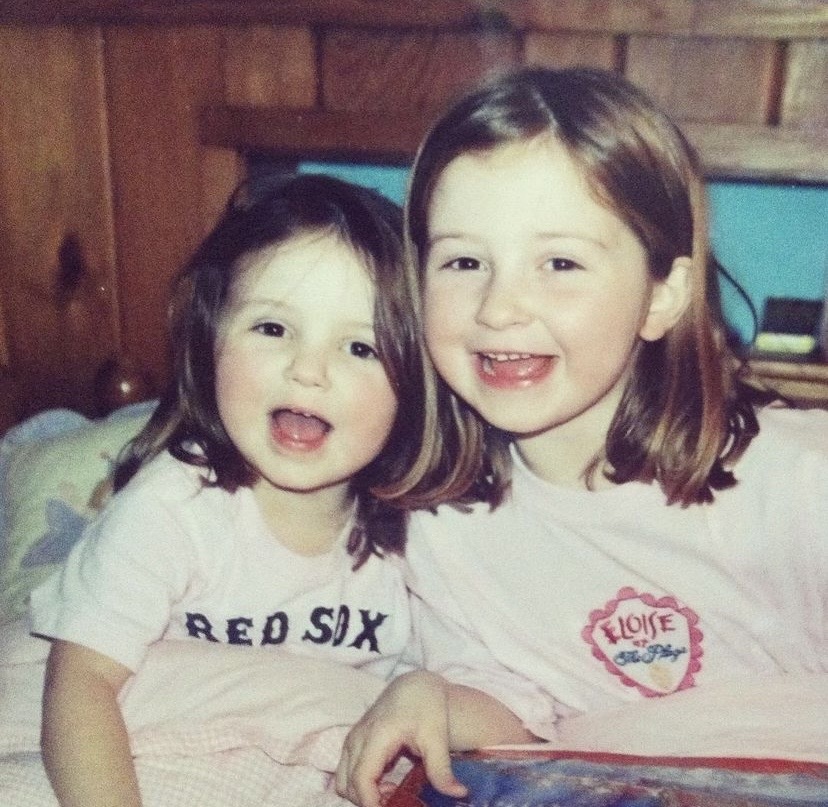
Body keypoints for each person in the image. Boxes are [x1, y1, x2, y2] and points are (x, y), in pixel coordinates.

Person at [335, 66, 828, 806]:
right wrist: (427, 694)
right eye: (465, 261)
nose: (501, 307)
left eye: (560, 263)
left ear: (661, 295)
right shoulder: (443, 521)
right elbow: (518, 708)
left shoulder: (796, 480)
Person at [29, 173, 431, 807]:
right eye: (272, 329)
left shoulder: (425, 538)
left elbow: (495, 704)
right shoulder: (174, 509)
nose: (308, 368)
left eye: (360, 346)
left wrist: (429, 698)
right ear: (211, 339)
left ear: (417, 386)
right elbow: (79, 686)